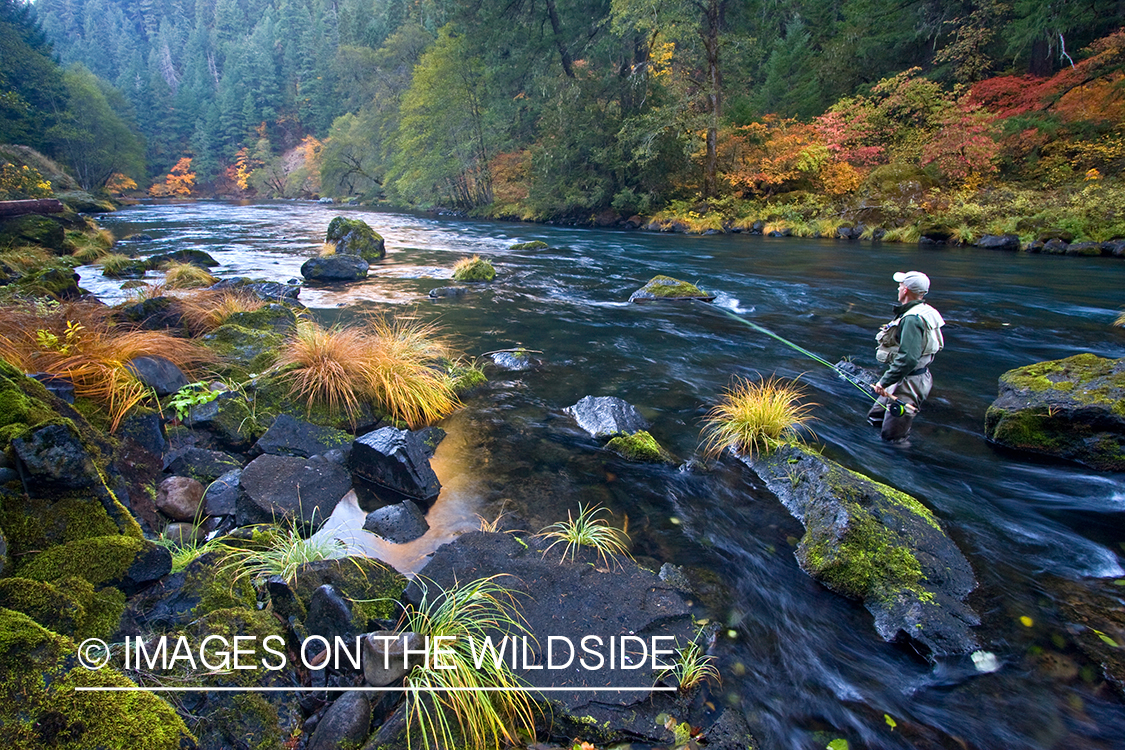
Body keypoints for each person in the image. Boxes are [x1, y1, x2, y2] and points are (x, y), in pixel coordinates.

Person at [867, 270, 945, 442]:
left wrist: (883, 382)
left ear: (906, 290)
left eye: (900, 285)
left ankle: (893, 457)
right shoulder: (925, 311)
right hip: (908, 377)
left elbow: (908, 358)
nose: (898, 288)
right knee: (875, 418)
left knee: (893, 438)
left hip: (909, 382)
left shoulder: (912, 319)